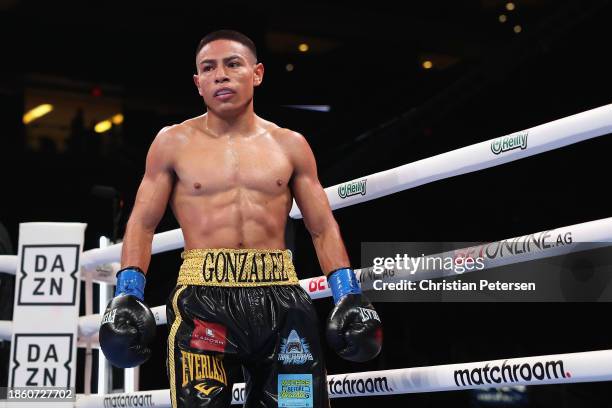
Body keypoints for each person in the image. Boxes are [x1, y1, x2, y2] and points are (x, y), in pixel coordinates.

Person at [99, 29, 382, 408]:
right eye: (208, 68)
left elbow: (322, 226)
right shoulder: (172, 143)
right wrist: (128, 293)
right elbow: (142, 222)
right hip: (203, 299)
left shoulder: (291, 144)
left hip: (281, 298)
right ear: (198, 83)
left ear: (257, 73)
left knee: (295, 405)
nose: (220, 75)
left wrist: (347, 292)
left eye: (232, 64)